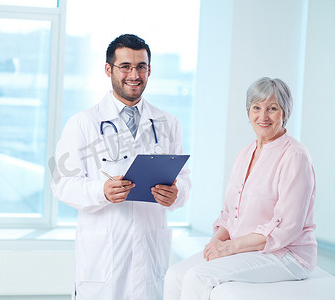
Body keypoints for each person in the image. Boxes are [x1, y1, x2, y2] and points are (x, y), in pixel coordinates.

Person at [51, 34, 191, 300]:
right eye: (125, 66)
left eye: (141, 66)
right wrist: (101, 191)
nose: (134, 74)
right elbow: (60, 183)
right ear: (109, 69)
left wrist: (177, 193)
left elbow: (183, 178)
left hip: (149, 254)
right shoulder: (82, 123)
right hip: (103, 259)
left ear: (149, 70)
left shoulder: (168, 123)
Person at [163, 77, 317, 300]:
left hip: (285, 254)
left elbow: (285, 228)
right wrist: (217, 240)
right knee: (175, 275)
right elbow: (229, 215)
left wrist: (229, 248)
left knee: (197, 277)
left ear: (285, 112)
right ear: (248, 111)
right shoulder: (245, 153)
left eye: (272, 108)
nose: (262, 116)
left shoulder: (295, 156)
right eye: (256, 108)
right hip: (245, 248)